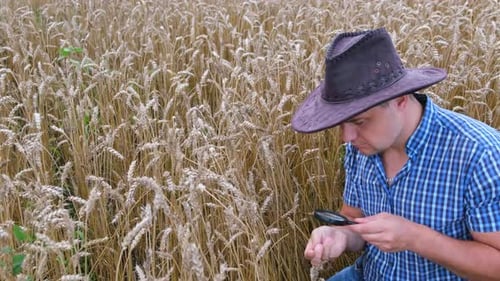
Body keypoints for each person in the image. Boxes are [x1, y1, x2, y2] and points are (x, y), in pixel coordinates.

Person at [291, 27, 500, 280]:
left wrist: (415, 238)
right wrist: (341, 236)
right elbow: (353, 219)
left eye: (358, 121)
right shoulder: (361, 147)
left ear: (400, 100)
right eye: (341, 123)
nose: (346, 138)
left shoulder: (480, 154)